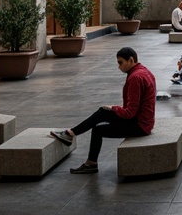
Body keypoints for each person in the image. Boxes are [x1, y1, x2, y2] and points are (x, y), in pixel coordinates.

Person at [50, 46, 156, 174]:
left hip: (139, 125)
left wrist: (114, 108)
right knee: (102, 116)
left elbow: (130, 113)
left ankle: (73, 138)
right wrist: (113, 109)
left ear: (131, 60)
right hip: (143, 121)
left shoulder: (135, 78)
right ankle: (76, 141)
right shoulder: (144, 72)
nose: (119, 66)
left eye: (120, 62)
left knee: (100, 123)